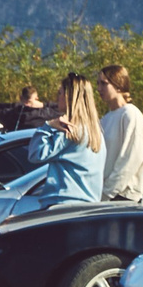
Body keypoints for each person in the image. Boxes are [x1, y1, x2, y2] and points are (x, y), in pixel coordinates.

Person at [32, 72, 104, 206]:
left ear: (69, 97)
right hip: (88, 203)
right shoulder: (95, 132)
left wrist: (47, 126)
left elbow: (36, 154)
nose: (56, 97)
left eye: (60, 93)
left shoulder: (68, 130)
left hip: (62, 203)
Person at [96, 64, 143, 202]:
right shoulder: (106, 119)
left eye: (104, 83)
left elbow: (131, 158)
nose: (99, 89)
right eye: (98, 83)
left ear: (118, 85)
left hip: (123, 196)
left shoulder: (130, 115)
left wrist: (108, 192)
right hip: (106, 195)